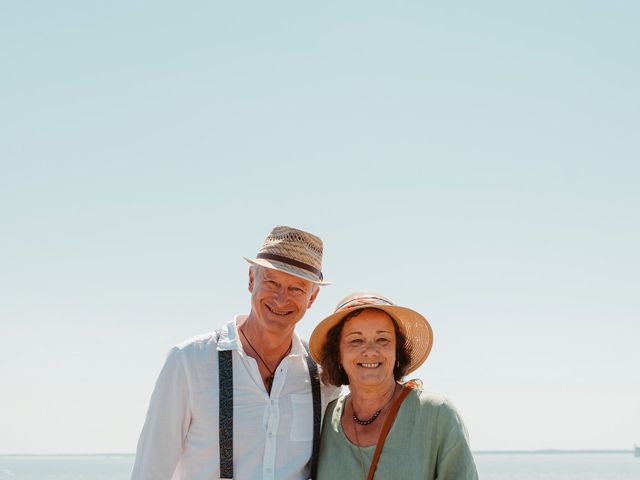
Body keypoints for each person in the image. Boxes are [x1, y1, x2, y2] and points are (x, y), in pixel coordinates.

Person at [132, 225, 340, 480]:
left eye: (296, 288)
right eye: (272, 282)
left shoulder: (324, 376)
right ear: (251, 279)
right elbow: (151, 470)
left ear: (313, 297)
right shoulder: (189, 361)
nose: (281, 298)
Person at [309, 292, 478, 479]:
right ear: (338, 354)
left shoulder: (436, 414)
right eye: (356, 341)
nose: (371, 351)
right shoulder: (325, 416)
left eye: (383, 339)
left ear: (397, 350)